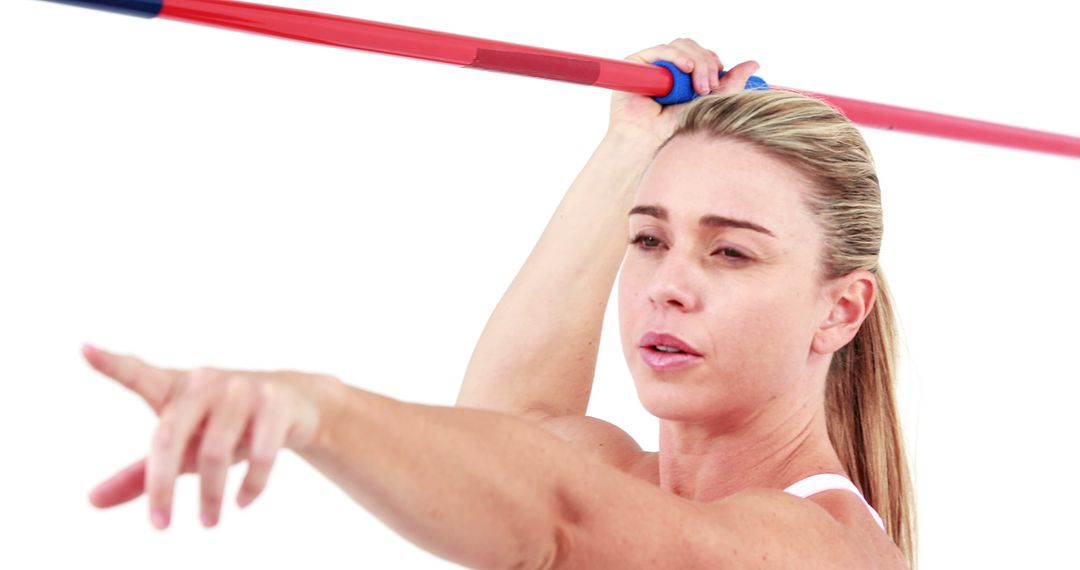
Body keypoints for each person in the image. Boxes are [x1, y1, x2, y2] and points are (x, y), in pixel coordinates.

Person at [81, 38, 915, 569]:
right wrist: (629, 147)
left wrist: (317, 410)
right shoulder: (622, 476)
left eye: (730, 252)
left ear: (840, 310)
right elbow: (511, 422)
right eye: (649, 239)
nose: (667, 285)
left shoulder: (822, 548)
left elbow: (559, 519)